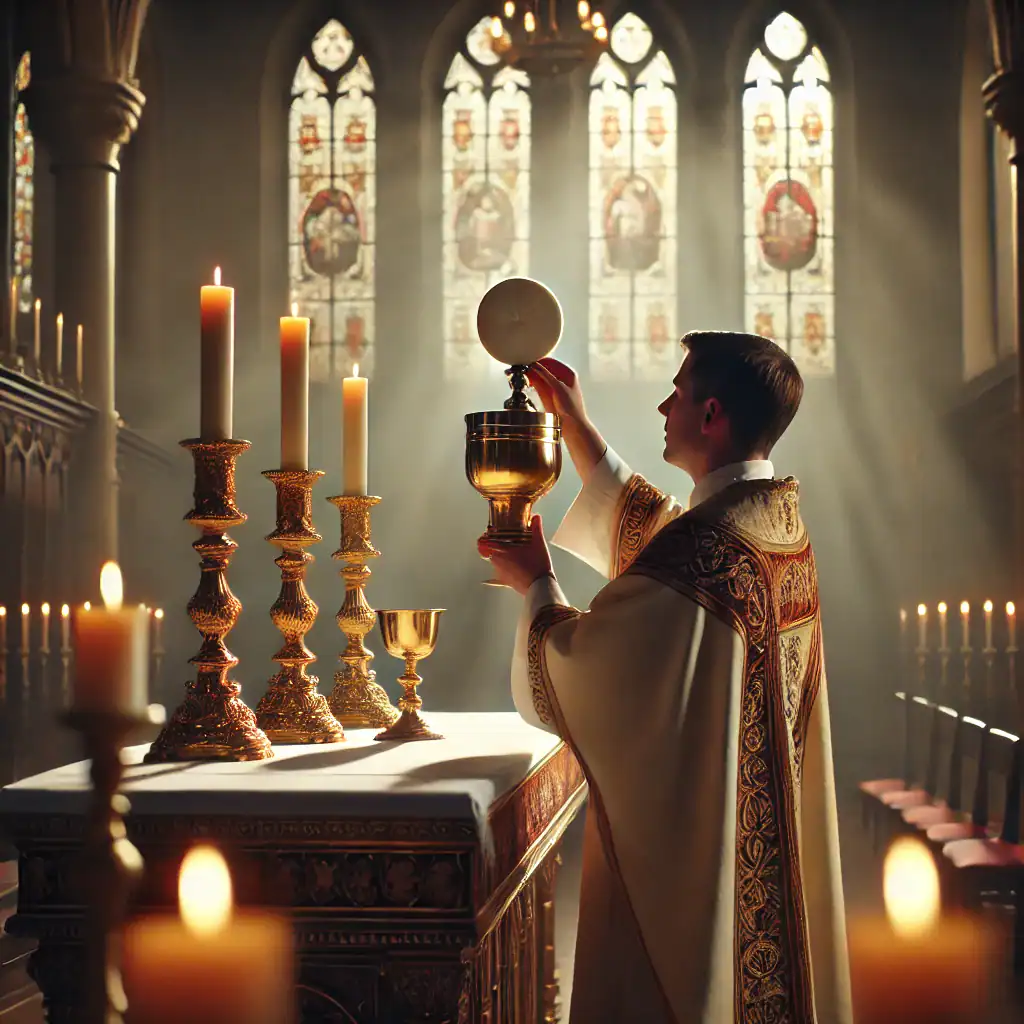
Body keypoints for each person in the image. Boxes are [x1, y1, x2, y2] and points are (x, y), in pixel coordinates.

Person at [478, 332, 852, 1024]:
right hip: (758, 855)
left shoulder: (707, 551)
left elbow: (590, 666)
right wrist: (577, 431)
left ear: (710, 414)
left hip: (703, 863)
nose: (661, 405)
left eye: (676, 394)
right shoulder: (774, 524)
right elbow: (669, 539)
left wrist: (537, 586)